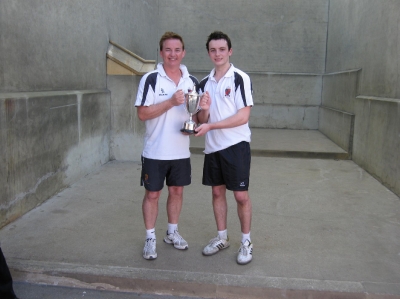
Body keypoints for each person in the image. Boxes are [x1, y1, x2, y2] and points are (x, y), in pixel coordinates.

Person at [135, 32, 198, 260]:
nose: (173, 54)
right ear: (161, 53)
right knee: (152, 194)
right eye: (168, 50)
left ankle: (172, 233)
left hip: (181, 152)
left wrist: (205, 109)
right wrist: (170, 102)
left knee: (177, 191)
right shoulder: (150, 79)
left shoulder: (192, 82)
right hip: (155, 151)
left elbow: (198, 118)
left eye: (177, 50)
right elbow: (142, 114)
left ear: (183, 52)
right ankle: (150, 238)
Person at [195, 31, 254, 265]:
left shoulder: (240, 78)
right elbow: (200, 119)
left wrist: (211, 125)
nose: (217, 54)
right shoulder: (203, 83)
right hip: (213, 148)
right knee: (217, 192)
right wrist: (205, 110)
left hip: (236, 146)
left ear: (230, 51)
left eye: (222, 49)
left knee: (240, 196)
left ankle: (246, 242)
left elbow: (243, 116)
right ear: (208, 53)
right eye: (213, 50)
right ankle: (222, 238)